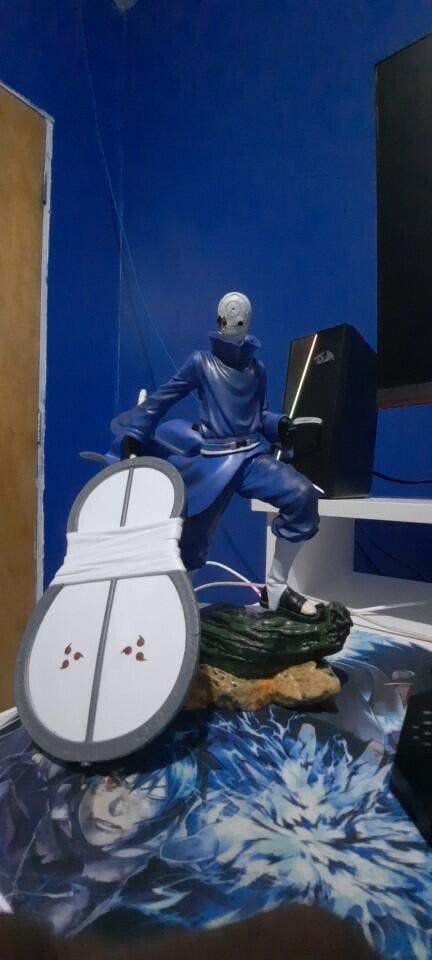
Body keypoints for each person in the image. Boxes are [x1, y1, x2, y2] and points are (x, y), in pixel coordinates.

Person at [109, 293, 320, 619]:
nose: (233, 322)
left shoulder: (256, 369)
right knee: (192, 539)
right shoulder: (201, 363)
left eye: (239, 318)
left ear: (248, 322)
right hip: (212, 463)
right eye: (228, 318)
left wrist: (280, 426)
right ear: (220, 321)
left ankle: (276, 588)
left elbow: (258, 415)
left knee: (301, 494)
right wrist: (134, 435)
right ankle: (177, 606)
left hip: (251, 458)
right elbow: (163, 399)